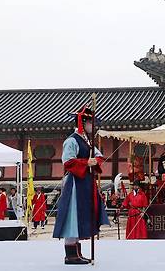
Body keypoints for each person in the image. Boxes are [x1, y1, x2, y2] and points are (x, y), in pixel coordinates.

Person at [52, 106, 110, 265]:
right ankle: (70, 254)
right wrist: (86, 162)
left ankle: (77, 252)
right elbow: (68, 161)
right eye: (91, 122)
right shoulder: (71, 140)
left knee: (83, 214)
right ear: (82, 123)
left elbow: (98, 156)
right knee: (73, 214)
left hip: (85, 182)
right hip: (75, 183)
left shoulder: (87, 141)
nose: (93, 125)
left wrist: (94, 161)